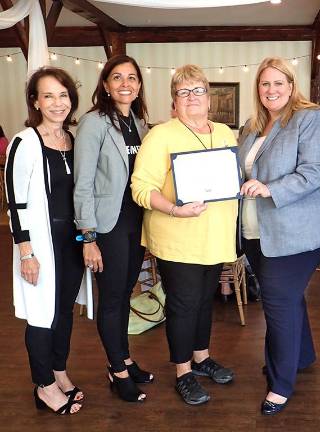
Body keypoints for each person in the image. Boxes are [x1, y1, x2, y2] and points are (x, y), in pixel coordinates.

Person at [131, 64, 237, 406]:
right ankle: (183, 372)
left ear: (210, 98)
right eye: (183, 92)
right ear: (174, 102)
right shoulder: (160, 135)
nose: (192, 98)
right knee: (182, 306)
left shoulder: (224, 132)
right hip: (177, 237)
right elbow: (141, 188)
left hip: (215, 236)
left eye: (199, 91)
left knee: (205, 303)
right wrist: (176, 209)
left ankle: (202, 358)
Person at [239, 57, 320, 415]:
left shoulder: (308, 118)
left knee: (277, 304)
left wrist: (269, 188)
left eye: (279, 83)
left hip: (296, 232)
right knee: (288, 298)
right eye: (265, 84)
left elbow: (315, 171)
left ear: (292, 86)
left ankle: (280, 384)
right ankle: (302, 356)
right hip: (256, 232)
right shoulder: (252, 127)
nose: (271, 90)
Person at [5, 67, 86, 415]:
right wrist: (26, 252)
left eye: (63, 95)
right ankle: (45, 386)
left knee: (63, 312)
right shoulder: (24, 141)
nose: (57, 102)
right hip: (39, 245)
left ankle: (59, 371)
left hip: (71, 243)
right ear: (36, 101)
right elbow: (14, 200)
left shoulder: (73, 139)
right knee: (41, 316)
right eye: (48, 95)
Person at [74, 54, 152, 403]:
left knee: (125, 294)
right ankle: (117, 370)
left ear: (138, 84)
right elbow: (83, 183)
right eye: (117, 77)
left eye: (132, 77)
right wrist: (87, 236)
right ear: (105, 84)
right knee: (113, 298)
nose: (125, 84)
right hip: (108, 224)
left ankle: (125, 358)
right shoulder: (94, 123)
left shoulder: (139, 122)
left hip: (137, 221)